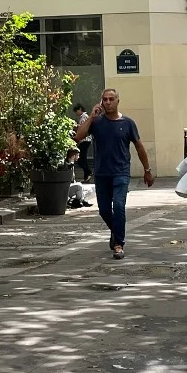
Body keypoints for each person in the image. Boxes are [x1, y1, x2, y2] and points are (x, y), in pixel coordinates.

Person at [74, 88, 154, 260]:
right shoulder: (96, 122)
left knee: (118, 206)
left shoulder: (128, 123)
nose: (108, 102)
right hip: (101, 173)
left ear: (118, 101)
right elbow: (78, 136)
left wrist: (147, 170)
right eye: (105, 99)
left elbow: (139, 147)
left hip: (121, 172)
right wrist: (91, 117)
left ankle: (118, 244)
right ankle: (116, 231)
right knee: (104, 210)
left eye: (111, 99)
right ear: (101, 102)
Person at [72, 103, 93, 183]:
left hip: (85, 140)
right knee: (82, 158)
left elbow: (83, 128)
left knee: (81, 158)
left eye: (76, 111)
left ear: (80, 109)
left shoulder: (84, 117)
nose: (76, 113)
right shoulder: (83, 117)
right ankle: (86, 176)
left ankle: (88, 172)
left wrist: (76, 126)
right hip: (84, 140)